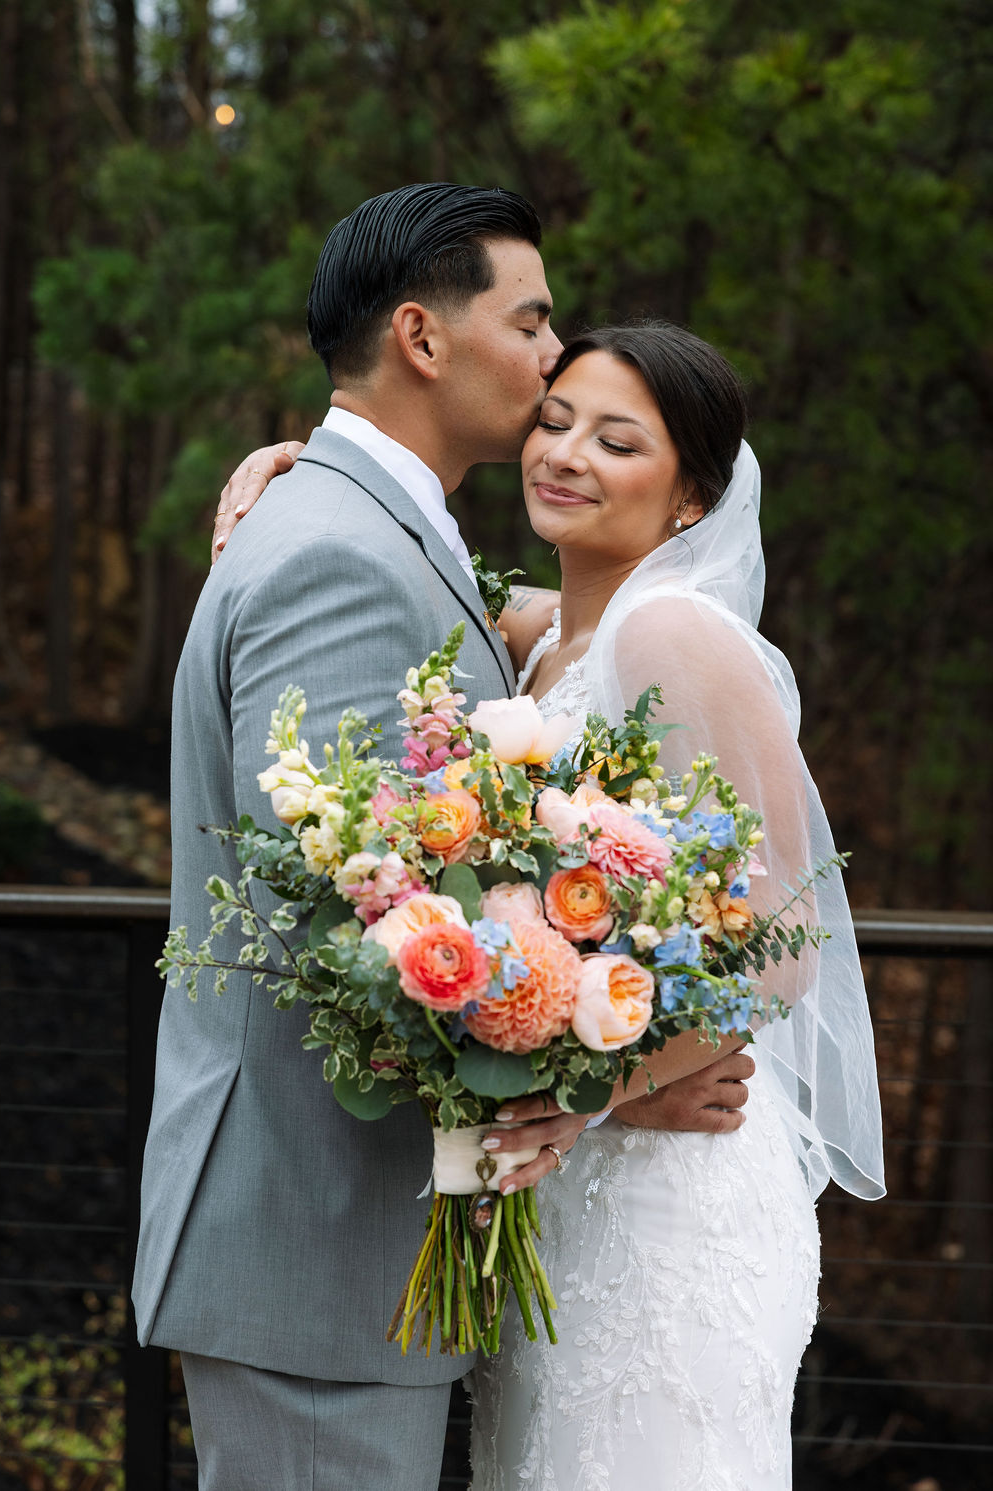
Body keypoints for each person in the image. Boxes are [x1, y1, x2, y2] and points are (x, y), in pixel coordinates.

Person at [133, 183, 758, 1491]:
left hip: (348, 1249)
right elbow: (352, 931)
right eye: (532, 324)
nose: (550, 361)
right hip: (319, 1246)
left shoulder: (373, 533)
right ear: (423, 336)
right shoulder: (339, 553)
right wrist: (627, 1080)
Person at [218, 320, 885, 1489]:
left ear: (692, 499)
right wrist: (297, 467)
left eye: (616, 441)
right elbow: (419, 559)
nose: (565, 453)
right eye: (555, 420)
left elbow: (782, 948)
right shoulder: (545, 638)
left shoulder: (678, 635)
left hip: (668, 1201)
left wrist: (599, 1097)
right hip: (555, 1188)